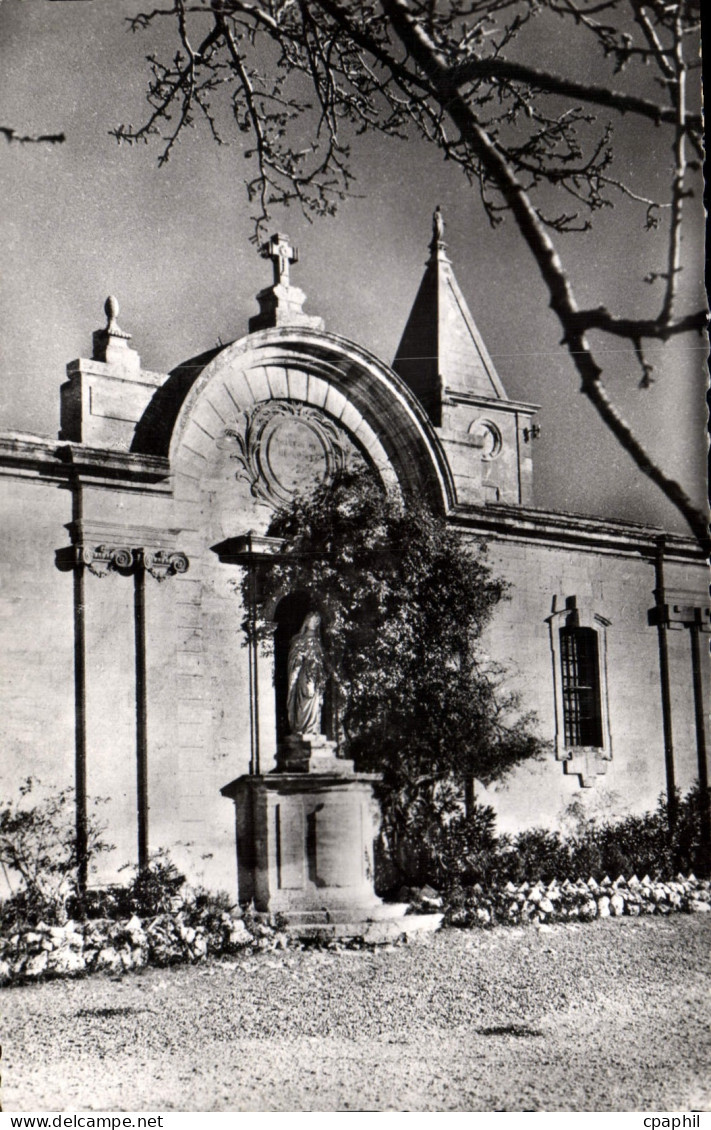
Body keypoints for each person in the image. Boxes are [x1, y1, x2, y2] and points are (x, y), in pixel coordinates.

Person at [286, 611, 327, 736]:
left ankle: (312, 729)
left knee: (315, 700)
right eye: (313, 620)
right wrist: (299, 659)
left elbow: (323, 659)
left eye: (317, 621)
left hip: (317, 674)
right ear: (306, 621)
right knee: (307, 694)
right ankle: (301, 728)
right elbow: (295, 658)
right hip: (305, 672)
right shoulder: (300, 640)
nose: (315, 623)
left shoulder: (318, 641)